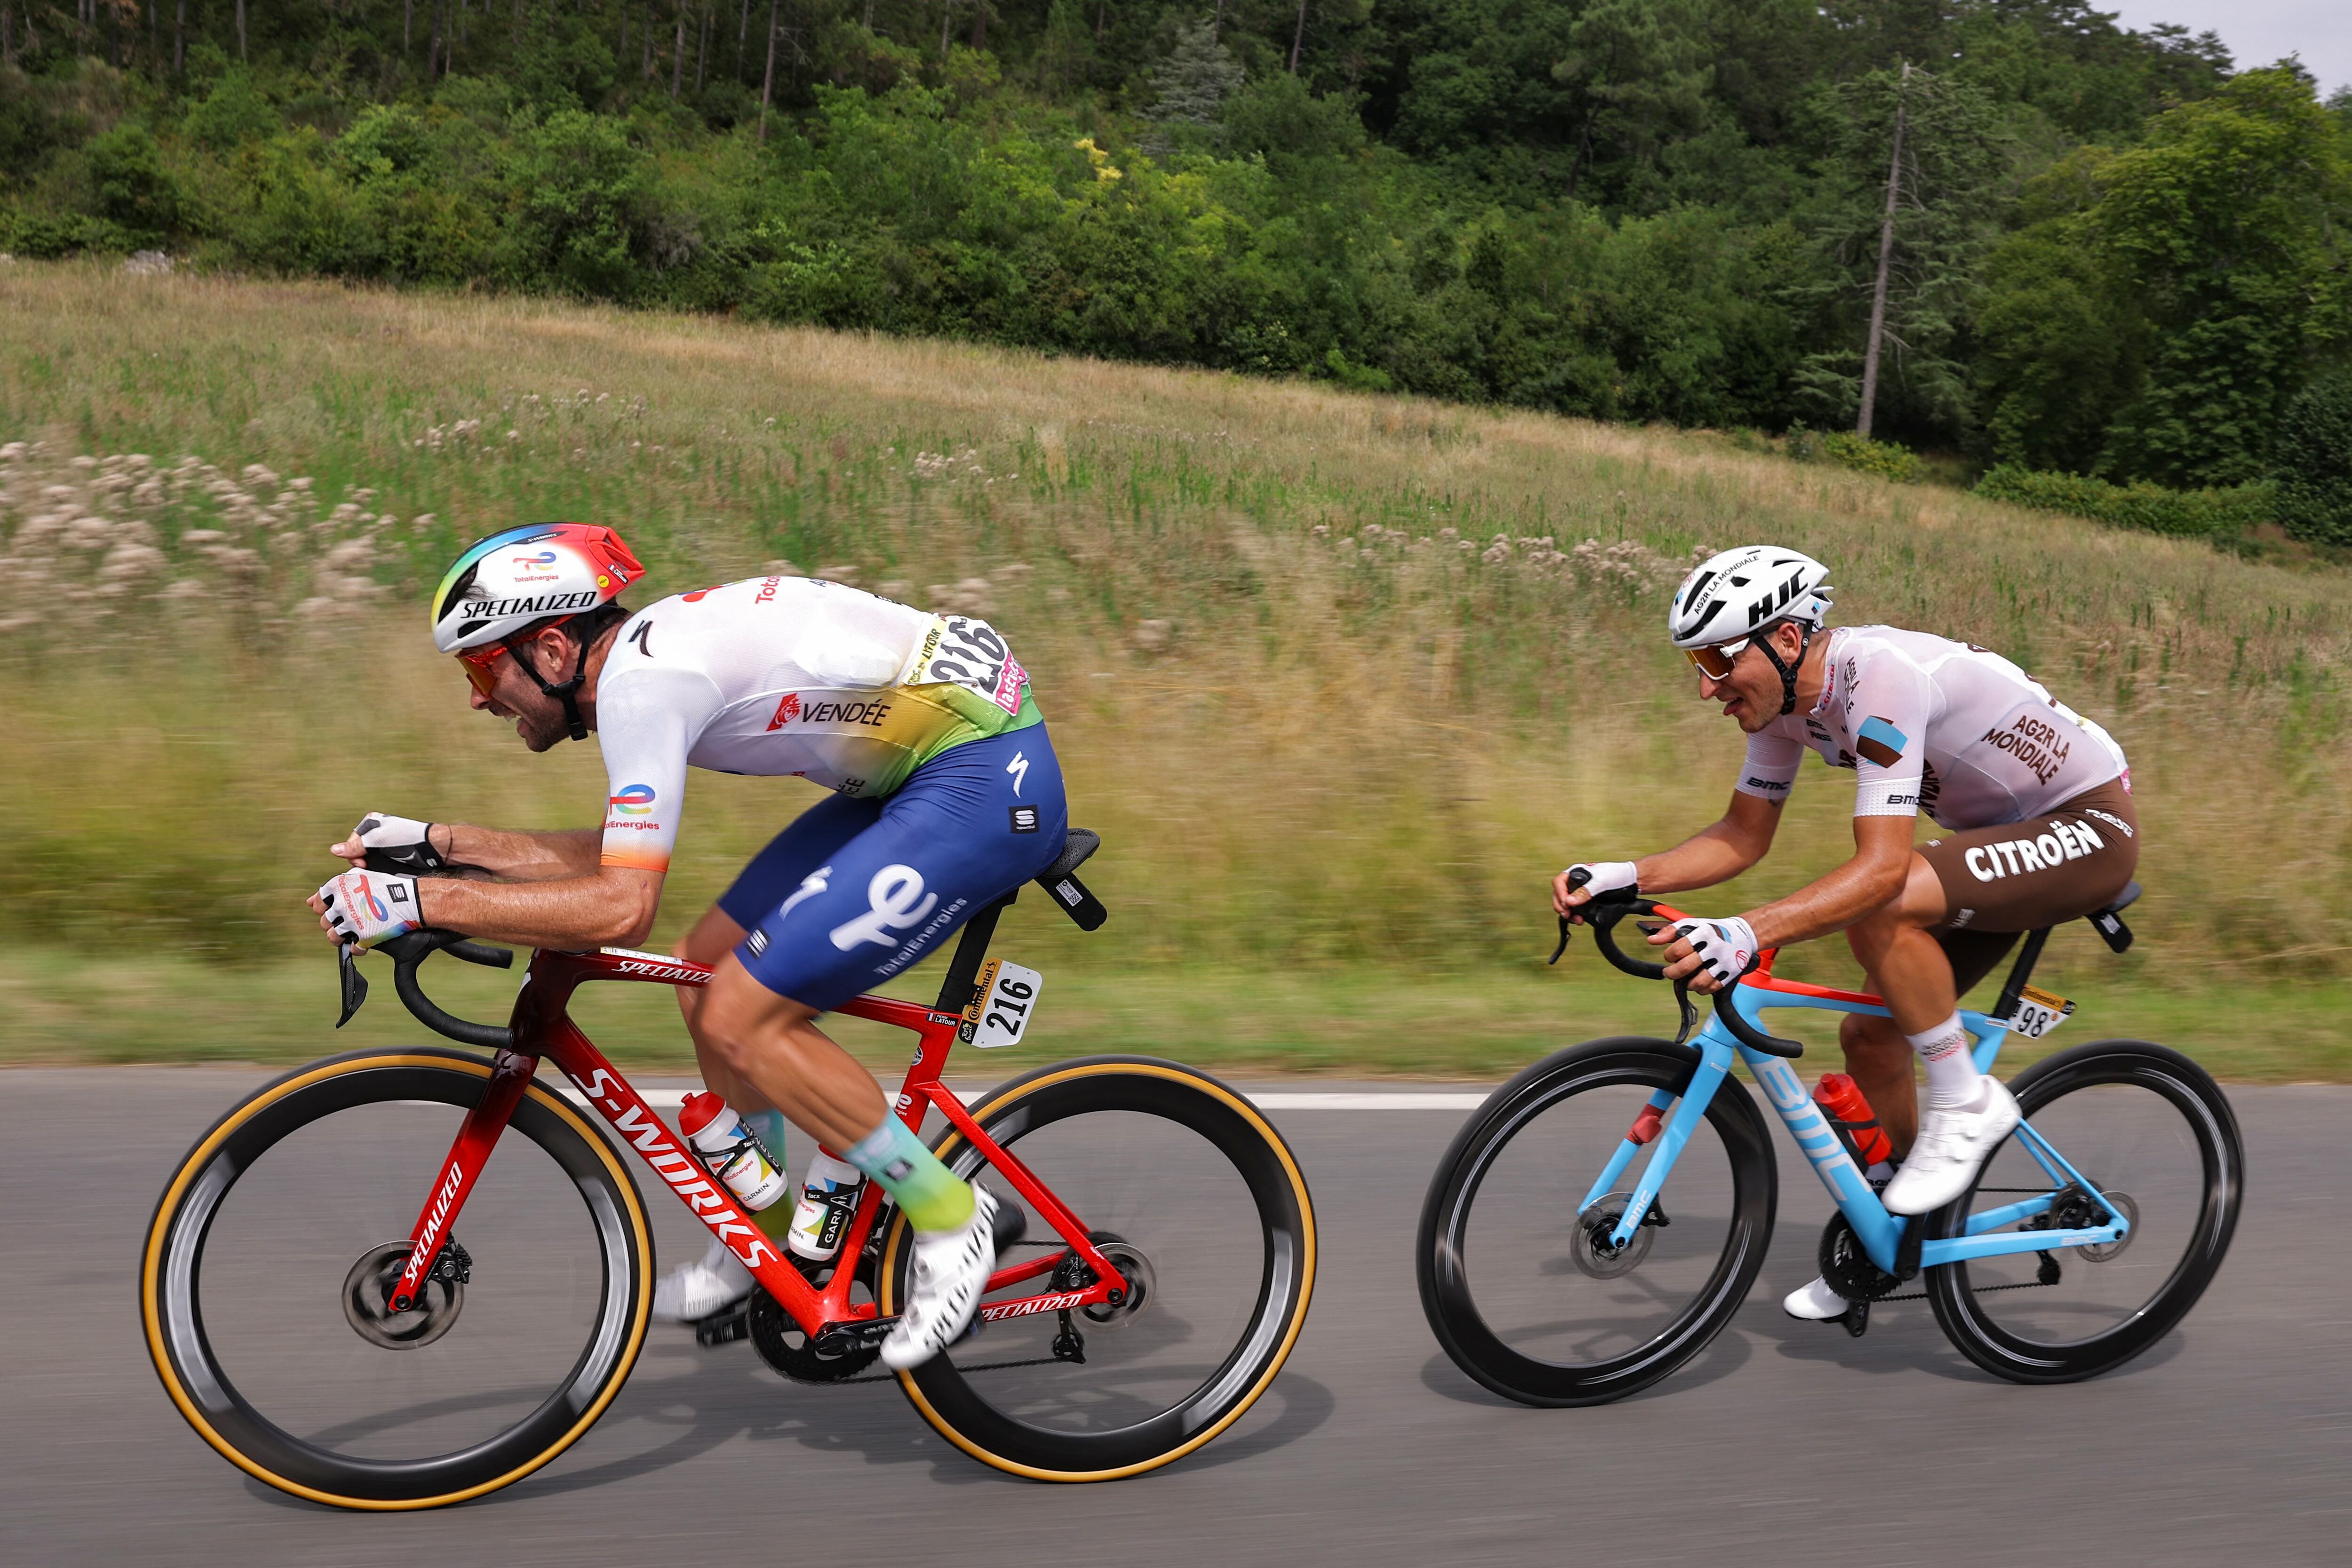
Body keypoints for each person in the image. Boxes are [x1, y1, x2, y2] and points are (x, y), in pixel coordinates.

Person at [308, 523, 1068, 1369]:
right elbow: (615, 854)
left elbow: (618, 908)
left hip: (982, 778)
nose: (479, 699)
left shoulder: (644, 683)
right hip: (914, 769)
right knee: (703, 970)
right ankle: (773, 1239)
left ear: (554, 647)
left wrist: (418, 899)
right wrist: (439, 843)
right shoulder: (637, 668)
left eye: (483, 669)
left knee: (745, 1015)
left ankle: (950, 1215)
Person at [1554, 545, 2137, 1323]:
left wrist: (1746, 930)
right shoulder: (1783, 707)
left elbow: (1882, 868)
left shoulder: (1879, 676)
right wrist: (1627, 874)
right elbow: (1741, 835)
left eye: (1721, 659)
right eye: (1697, 662)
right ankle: (1901, 1234)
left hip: (2084, 826)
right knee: (1870, 1041)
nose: (1707, 686)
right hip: (1990, 846)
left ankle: (1967, 1102)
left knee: (1882, 906)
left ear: (1788, 639)